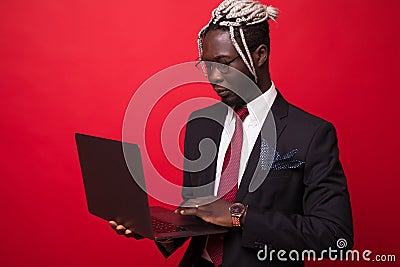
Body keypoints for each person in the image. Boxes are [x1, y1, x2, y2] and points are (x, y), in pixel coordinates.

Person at [110, 0, 354, 266]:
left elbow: (335, 237)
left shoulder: (310, 134)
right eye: (207, 65)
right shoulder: (200, 124)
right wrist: (162, 231)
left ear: (260, 55)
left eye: (224, 64)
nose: (214, 77)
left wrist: (241, 215)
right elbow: (198, 210)